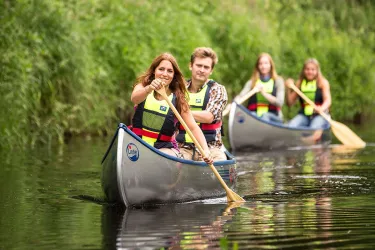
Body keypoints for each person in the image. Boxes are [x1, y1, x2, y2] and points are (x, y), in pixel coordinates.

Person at [131, 52, 213, 164]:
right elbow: (135, 99)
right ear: (154, 71)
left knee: (162, 154)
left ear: (174, 75)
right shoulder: (142, 87)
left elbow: (193, 128)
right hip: (137, 143)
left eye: (170, 71)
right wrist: (149, 89)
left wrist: (206, 150)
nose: (165, 74)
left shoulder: (179, 100)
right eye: (161, 69)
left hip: (164, 148)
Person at [176, 47, 228, 161]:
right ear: (191, 66)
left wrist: (182, 112)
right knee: (174, 161)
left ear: (211, 70)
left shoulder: (218, 90)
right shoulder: (179, 89)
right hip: (183, 147)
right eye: (199, 65)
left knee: (220, 160)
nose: (202, 70)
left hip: (211, 148)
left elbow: (208, 117)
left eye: (206, 67)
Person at [234, 53, 284, 123]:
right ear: (257, 66)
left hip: (273, 116)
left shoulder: (278, 81)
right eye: (260, 64)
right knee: (252, 116)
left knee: (265, 116)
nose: (263, 66)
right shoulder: (252, 82)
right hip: (255, 115)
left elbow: (280, 102)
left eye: (266, 63)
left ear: (271, 65)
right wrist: (234, 103)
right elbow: (241, 96)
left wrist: (263, 92)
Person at [285, 58, 331, 129]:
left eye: (313, 69)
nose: (310, 72)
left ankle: (310, 138)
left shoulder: (323, 83)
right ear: (303, 70)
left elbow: (328, 100)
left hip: (320, 115)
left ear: (317, 71)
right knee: (290, 126)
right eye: (307, 69)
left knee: (313, 128)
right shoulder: (300, 83)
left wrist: (321, 108)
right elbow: (289, 103)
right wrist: (288, 89)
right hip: (304, 115)